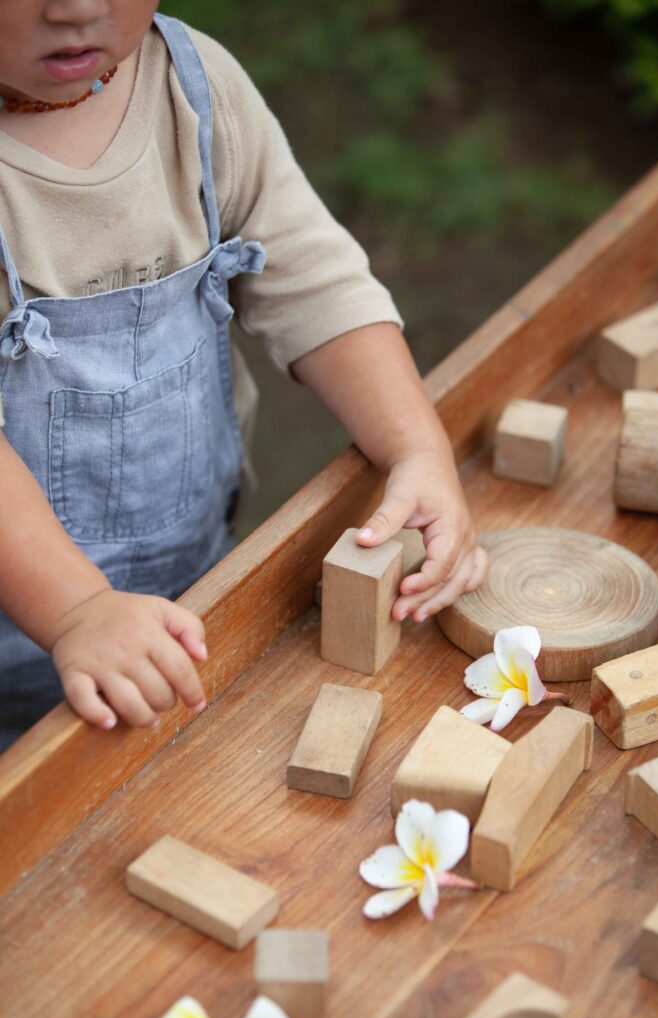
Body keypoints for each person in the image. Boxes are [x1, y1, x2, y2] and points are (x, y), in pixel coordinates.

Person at [0, 0, 486, 751]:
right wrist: (76, 612)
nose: (77, 7)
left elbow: (315, 281)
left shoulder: (197, 91)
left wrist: (415, 449)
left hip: (194, 583)